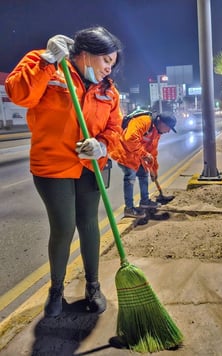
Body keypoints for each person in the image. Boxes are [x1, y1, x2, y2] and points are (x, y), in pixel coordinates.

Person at [5, 26, 123, 317]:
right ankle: (56, 289)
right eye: (106, 60)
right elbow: (19, 94)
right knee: (63, 227)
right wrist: (46, 61)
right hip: (53, 166)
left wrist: (102, 146)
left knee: (89, 225)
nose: (110, 68)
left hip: (90, 167)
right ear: (85, 54)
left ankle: (93, 286)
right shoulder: (48, 67)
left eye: (113, 63)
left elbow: (115, 129)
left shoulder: (109, 91)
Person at [110, 111, 177, 218]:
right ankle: (129, 208)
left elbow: (152, 152)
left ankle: (145, 201)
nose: (168, 131)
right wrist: (144, 154)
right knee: (130, 177)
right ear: (160, 122)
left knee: (144, 173)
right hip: (124, 152)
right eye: (168, 127)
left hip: (136, 154)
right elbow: (129, 139)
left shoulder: (156, 132)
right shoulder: (143, 121)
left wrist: (153, 170)